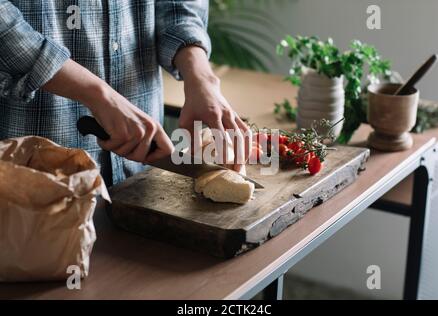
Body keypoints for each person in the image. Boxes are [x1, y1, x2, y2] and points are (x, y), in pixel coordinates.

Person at [0, 0, 251, 186]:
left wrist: (200, 75)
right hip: (29, 185)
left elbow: (179, 6)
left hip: (140, 173)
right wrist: (97, 94)